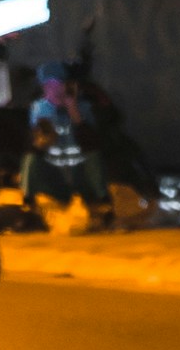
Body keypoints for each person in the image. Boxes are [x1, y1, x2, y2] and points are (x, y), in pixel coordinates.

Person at [19, 61, 114, 228]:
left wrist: (74, 112)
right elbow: (36, 142)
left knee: (94, 156)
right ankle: (28, 203)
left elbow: (92, 141)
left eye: (58, 85)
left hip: (79, 173)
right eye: (49, 86)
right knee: (31, 158)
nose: (54, 90)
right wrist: (45, 126)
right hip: (55, 174)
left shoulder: (83, 108)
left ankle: (102, 201)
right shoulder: (39, 109)